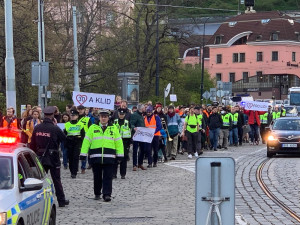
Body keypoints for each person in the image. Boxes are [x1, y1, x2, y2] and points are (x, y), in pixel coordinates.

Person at [80, 109, 124, 201]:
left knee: (108, 177)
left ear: (108, 118)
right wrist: (83, 154)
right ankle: (97, 193)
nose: (103, 118)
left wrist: (120, 155)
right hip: (96, 157)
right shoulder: (93, 128)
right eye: (102, 117)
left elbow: (119, 142)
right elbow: (86, 141)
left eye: (105, 117)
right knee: (97, 177)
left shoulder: (114, 128)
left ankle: (107, 194)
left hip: (109, 157)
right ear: (99, 117)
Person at [30, 106, 69, 207]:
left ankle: (37, 201)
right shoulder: (55, 128)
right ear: (52, 116)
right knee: (56, 180)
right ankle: (61, 200)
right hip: (53, 157)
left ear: (43, 115)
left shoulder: (37, 127)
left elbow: (32, 144)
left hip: (40, 157)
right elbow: (65, 140)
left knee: (40, 180)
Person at [64, 108, 85, 179]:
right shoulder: (67, 124)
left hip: (77, 142)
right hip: (69, 142)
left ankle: (74, 172)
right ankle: (71, 170)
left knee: (75, 157)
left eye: (74, 115)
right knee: (70, 157)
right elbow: (64, 134)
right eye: (72, 115)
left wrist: (81, 143)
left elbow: (83, 135)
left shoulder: (81, 124)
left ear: (77, 116)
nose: (73, 116)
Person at [113, 108, 131, 179]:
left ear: (125, 115)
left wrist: (129, 143)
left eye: (123, 114)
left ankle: (123, 174)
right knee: (115, 159)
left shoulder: (127, 122)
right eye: (120, 114)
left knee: (124, 160)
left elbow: (130, 133)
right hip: (115, 143)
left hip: (124, 143)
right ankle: (114, 174)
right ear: (118, 114)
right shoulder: (114, 122)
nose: (121, 115)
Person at [130, 104, 146, 171]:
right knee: (135, 150)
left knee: (142, 149)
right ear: (141, 109)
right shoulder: (134, 115)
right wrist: (134, 128)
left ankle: (140, 163)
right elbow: (131, 123)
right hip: (136, 135)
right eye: (144, 108)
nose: (145, 109)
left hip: (141, 134)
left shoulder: (141, 115)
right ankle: (134, 164)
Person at [77, 105, 92, 174]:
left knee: (84, 153)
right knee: (76, 154)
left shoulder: (87, 119)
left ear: (84, 110)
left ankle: (83, 168)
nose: (80, 110)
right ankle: (75, 167)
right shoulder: (74, 117)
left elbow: (90, 128)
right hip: (76, 137)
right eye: (79, 109)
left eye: (81, 109)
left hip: (85, 138)